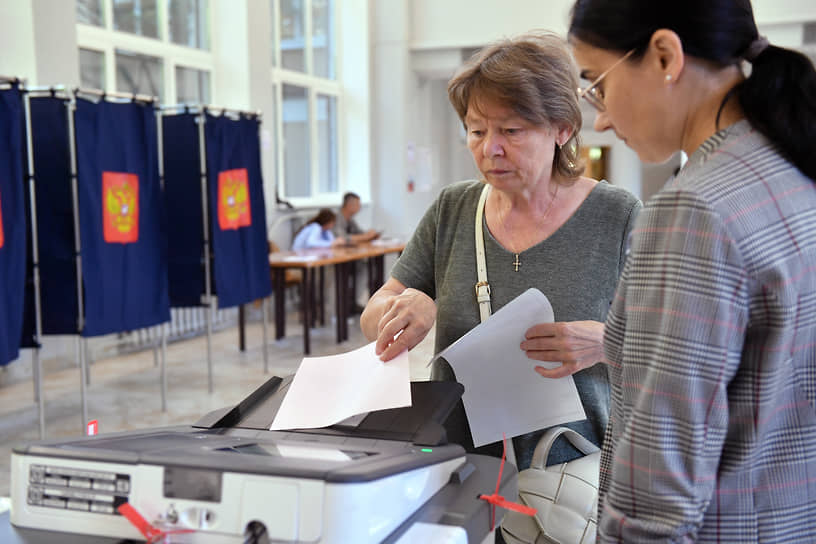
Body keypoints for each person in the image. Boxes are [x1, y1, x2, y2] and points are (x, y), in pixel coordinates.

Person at [568, 0, 816, 541]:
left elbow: (659, 487)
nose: (603, 119)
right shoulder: (792, 169)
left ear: (664, 56)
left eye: (597, 85)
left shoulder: (695, 211)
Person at [360, 32, 642, 470]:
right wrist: (397, 310)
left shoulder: (617, 215)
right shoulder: (453, 208)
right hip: (459, 463)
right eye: (476, 130)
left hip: (571, 471)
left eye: (511, 130)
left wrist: (606, 342)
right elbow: (373, 313)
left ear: (562, 129)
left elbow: (674, 341)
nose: (489, 148)